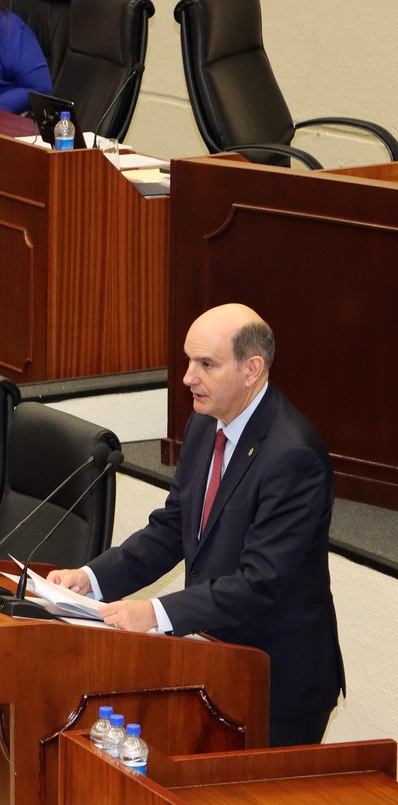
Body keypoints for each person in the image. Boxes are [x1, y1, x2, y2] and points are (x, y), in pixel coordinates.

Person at [47, 304, 343, 747]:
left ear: (252, 370)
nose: (188, 377)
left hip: (275, 681)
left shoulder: (292, 456)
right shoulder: (205, 424)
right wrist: (91, 579)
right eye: (188, 360)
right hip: (213, 661)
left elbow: (259, 582)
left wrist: (154, 613)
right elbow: (171, 528)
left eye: (206, 364)